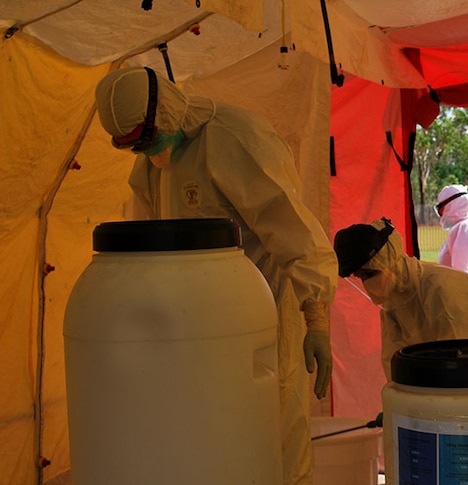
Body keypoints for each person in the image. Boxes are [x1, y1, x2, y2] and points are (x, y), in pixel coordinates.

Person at [94, 66, 338, 485]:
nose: (142, 150)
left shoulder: (234, 137)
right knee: (213, 436)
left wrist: (315, 316)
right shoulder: (154, 163)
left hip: (263, 318)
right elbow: (150, 245)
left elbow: (294, 231)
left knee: (274, 433)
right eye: (129, 145)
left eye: (143, 138)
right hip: (199, 329)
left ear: (162, 112)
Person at [333, 217, 468, 379]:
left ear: (388, 261)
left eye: (368, 273)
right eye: (360, 277)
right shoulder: (394, 306)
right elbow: (397, 370)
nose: (366, 283)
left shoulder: (445, 291)